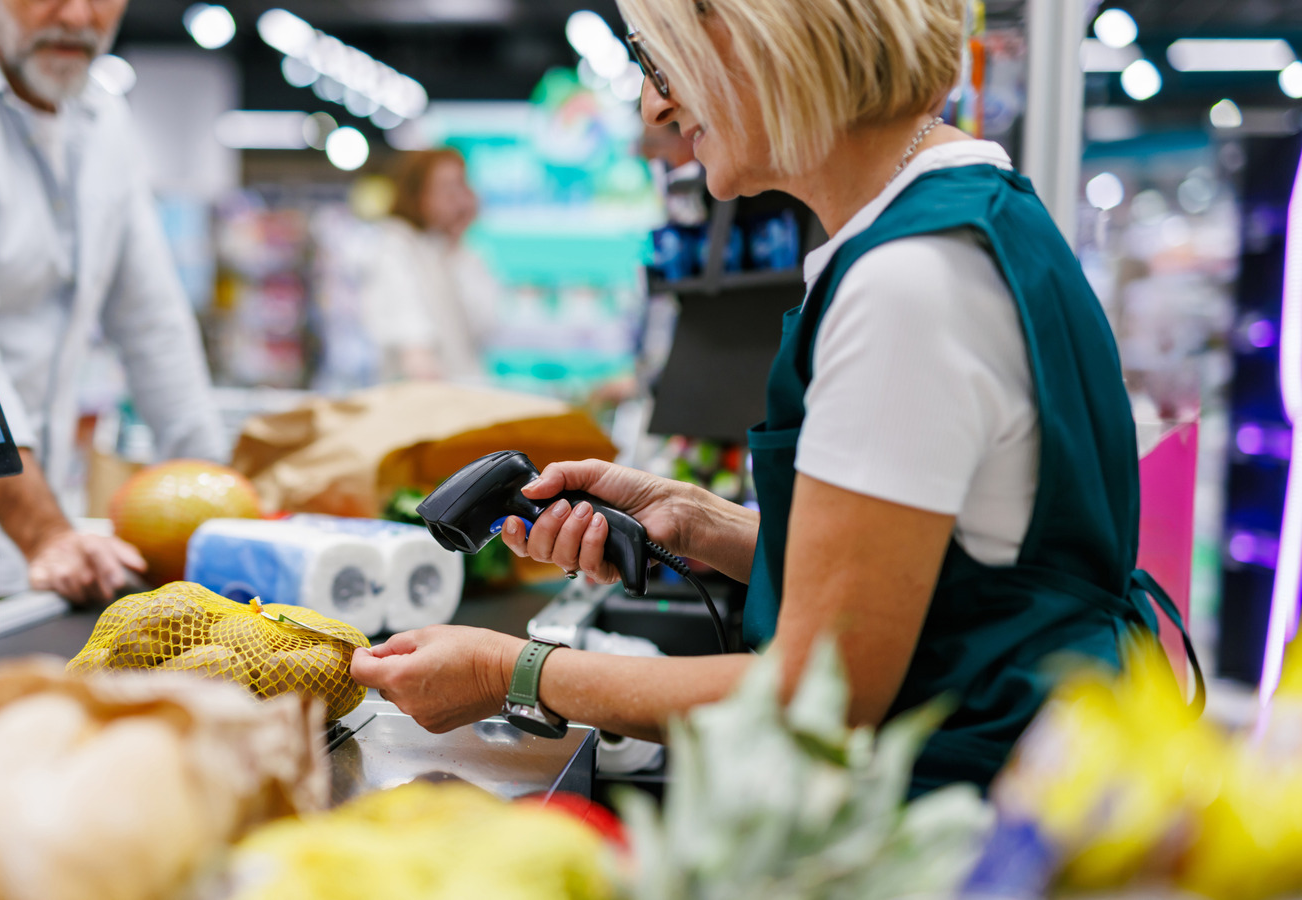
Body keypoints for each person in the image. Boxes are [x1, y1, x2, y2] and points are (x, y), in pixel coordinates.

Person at [352, 0, 1193, 794]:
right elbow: (949, 581)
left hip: (966, 808)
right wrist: (700, 523)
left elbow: (815, 695)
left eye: (660, 62)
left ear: (757, 36)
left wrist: (510, 671)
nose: (654, 107)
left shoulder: (905, 285)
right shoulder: (974, 217)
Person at [0, 0, 225, 603]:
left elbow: (155, 328)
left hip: (40, 544)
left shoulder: (103, 116)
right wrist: (43, 532)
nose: (77, 15)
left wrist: (223, 513)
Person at [361, 149, 500, 382]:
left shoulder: (452, 251)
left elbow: (483, 325)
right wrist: (420, 359)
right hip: (424, 392)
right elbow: (409, 330)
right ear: (418, 194)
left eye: (461, 185)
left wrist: (457, 245)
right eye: (446, 188)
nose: (457, 198)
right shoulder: (396, 246)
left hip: (460, 388)